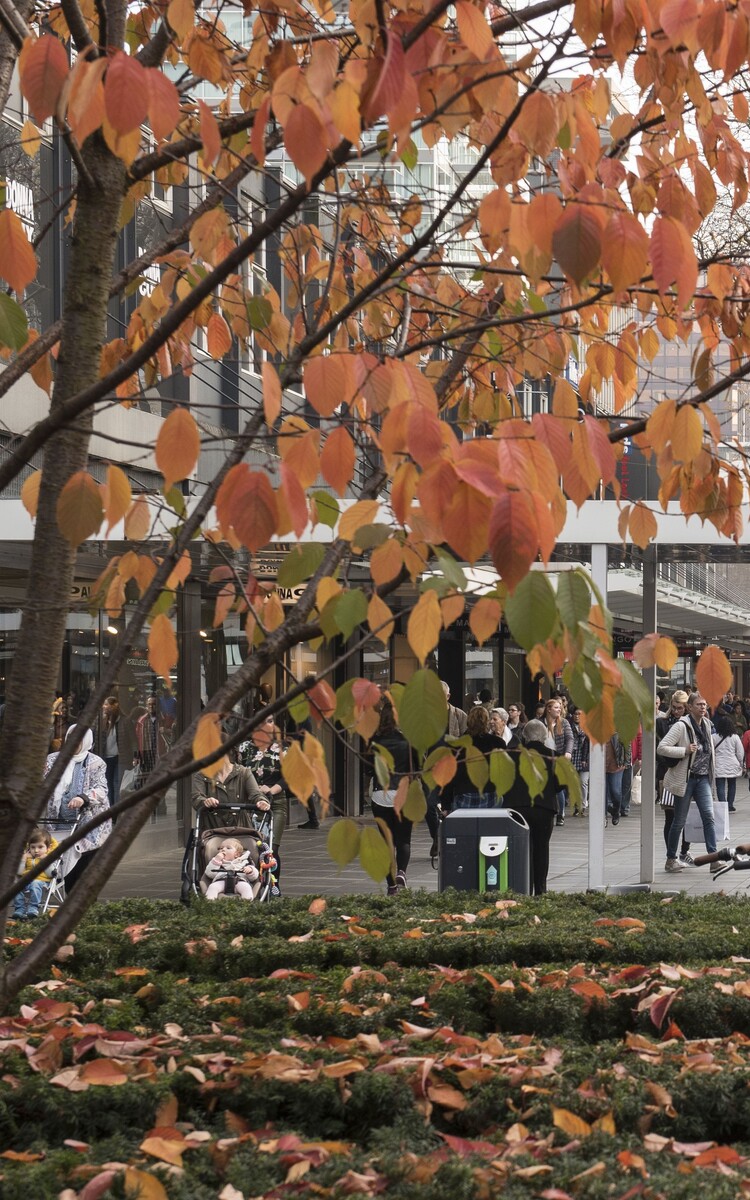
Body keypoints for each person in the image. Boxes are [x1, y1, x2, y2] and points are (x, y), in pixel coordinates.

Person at [43, 728, 112, 890]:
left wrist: (83, 798)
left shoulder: (96, 762)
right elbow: (42, 784)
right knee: (64, 870)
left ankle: (85, 905)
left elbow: (102, 789)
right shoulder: (53, 760)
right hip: (59, 824)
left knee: (84, 872)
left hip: (88, 825)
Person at [657, 691, 718, 873]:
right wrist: (683, 750)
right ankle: (671, 859)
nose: (703, 707)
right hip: (686, 779)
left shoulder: (707, 724)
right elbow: (662, 748)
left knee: (709, 816)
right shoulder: (681, 726)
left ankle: (714, 859)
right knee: (679, 821)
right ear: (689, 708)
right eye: (699, 704)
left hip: (702, 779)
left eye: (705, 704)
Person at [501, 720, 557, 895]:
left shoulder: (511, 755)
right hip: (544, 808)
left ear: (523, 737)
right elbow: (560, 785)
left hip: (517, 808)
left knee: (520, 850)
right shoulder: (554, 757)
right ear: (545, 737)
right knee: (541, 848)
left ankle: (521, 888)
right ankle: (540, 889)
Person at [367, 697, 416, 896]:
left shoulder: (374, 741)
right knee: (404, 839)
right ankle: (402, 872)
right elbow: (417, 767)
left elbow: (367, 768)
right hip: (402, 793)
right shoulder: (408, 741)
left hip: (380, 794)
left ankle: (391, 886)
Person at [239, 717, 287, 891]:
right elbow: (238, 771)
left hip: (275, 802)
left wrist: (271, 789)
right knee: (251, 846)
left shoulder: (283, 749)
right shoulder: (244, 748)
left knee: (271, 847)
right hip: (251, 802)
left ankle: (274, 886)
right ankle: (252, 884)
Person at [656, 690, 691, 862]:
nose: (677, 711)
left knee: (685, 816)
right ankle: (672, 854)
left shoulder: (691, 724)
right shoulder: (662, 723)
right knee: (671, 816)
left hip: (687, 775)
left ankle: (685, 851)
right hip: (668, 772)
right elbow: (660, 750)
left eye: (681, 708)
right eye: (674, 708)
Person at [449, 706, 507, 808]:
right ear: (486, 722)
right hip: (490, 796)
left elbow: (450, 775)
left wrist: (445, 804)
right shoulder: (498, 743)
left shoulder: (457, 744)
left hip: (463, 796)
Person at [14, 827, 58, 920]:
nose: (36, 850)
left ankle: (33, 908)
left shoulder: (48, 857)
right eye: (33, 847)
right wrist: (23, 859)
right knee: (15, 885)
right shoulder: (28, 857)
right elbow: (19, 872)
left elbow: (51, 874)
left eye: (40, 847)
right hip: (26, 880)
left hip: (42, 882)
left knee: (35, 883)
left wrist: (46, 861)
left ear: (48, 847)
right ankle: (19, 908)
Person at [544, 698, 573, 825]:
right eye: (556, 707)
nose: (559, 709)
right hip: (545, 758)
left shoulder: (564, 723)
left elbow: (570, 738)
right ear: (548, 709)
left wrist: (568, 752)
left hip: (559, 758)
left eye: (559, 707)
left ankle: (560, 813)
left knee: (558, 787)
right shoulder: (541, 723)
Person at [712, 714, 744, 814]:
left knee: (720, 786)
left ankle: (723, 805)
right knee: (732, 785)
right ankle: (730, 805)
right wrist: (741, 763)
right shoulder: (735, 737)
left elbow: (711, 751)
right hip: (732, 764)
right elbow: (740, 752)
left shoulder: (714, 737)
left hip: (719, 764)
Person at [135, 696, 169, 780]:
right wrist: (136, 756)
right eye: (149, 704)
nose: (151, 706)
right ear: (146, 706)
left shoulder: (164, 719)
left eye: (154, 704)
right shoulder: (141, 720)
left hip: (160, 753)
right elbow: (137, 739)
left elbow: (173, 734)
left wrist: (166, 731)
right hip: (146, 754)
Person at [100, 696, 123, 806]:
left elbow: (130, 739)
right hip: (105, 758)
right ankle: (110, 811)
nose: (103, 706)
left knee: (116, 784)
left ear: (113, 706)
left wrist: (134, 756)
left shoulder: (122, 721)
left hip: (118, 758)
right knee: (107, 785)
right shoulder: (101, 721)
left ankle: (116, 811)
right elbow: (96, 738)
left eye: (106, 704)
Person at [605, 732, 630, 826]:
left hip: (616, 764)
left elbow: (627, 744)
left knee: (615, 790)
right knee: (602, 793)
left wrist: (626, 761)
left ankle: (615, 811)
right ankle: (603, 817)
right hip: (600, 765)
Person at [568, 707, 590, 815]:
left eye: (579, 714)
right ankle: (576, 805)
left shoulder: (588, 728)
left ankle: (583, 804)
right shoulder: (569, 727)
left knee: (583, 782)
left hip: (584, 757)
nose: (577, 716)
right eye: (575, 714)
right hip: (573, 757)